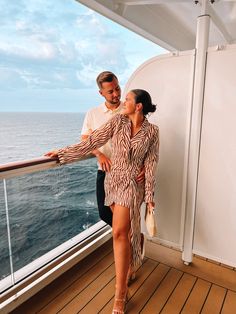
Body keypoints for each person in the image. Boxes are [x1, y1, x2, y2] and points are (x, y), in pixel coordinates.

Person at [46, 89, 159, 314]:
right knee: (123, 232)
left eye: (127, 99)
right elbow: (92, 142)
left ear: (138, 106)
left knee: (118, 232)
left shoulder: (152, 132)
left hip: (132, 185)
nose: (123, 101)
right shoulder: (117, 121)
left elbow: (152, 162)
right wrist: (63, 153)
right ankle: (131, 264)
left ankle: (120, 294)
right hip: (113, 181)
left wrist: (149, 195)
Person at [81, 71, 144, 227]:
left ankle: (129, 243)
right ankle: (133, 238)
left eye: (117, 88)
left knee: (123, 217)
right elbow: (85, 139)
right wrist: (98, 154)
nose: (116, 94)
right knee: (105, 213)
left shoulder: (130, 107)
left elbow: (143, 140)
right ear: (101, 93)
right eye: (110, 91)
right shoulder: (93, 113)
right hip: (105, 170)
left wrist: (144, 166)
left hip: (128, 172)